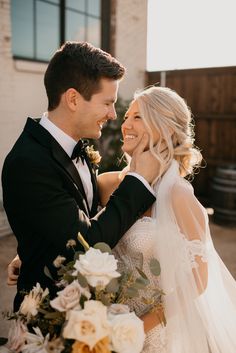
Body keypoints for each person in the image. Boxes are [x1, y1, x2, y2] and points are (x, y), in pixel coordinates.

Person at [2, 41, 160, 312]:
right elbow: (85, 242)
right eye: (107, 103)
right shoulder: (29, 162)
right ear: (73, 99)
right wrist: (138, 182)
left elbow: (72, 211)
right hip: (48, 318)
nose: (113, 115)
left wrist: (33, 248)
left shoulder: (71, 143)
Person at [98, 86, 236, 352]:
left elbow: (198, 280)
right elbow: (77, 229)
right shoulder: (108, 184)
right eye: (127, 116)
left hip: (155, 334)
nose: (125, 124)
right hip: (106, 321)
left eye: (138, 117)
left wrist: (140, 325)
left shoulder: (179, 195)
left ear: (165, 128)